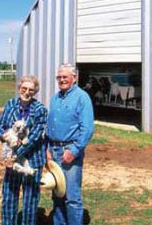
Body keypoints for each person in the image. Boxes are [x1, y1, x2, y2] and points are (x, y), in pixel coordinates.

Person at [0, 74, 47, 225]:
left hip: (32, 161)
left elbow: (33, 139)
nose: (27, 92)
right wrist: (5, 137)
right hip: (12, 159)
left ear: (35, 92)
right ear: (19, 89)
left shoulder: (40, 110)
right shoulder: (10, 104)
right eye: (24, 88)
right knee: (9, 195)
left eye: (31, 89)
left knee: (30, 200)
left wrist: (14, 156)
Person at [46, 64, 94, 225]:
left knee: (72, 197)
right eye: (59, 77)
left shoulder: (82, 97)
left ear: (74, 78)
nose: (62, 80)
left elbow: (87, 128)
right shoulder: (55, 99)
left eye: (65, 77)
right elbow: (50, 126)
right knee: (57, 194)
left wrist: (74, 150)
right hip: (53, 150)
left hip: (69, 151)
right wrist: (47, 148)